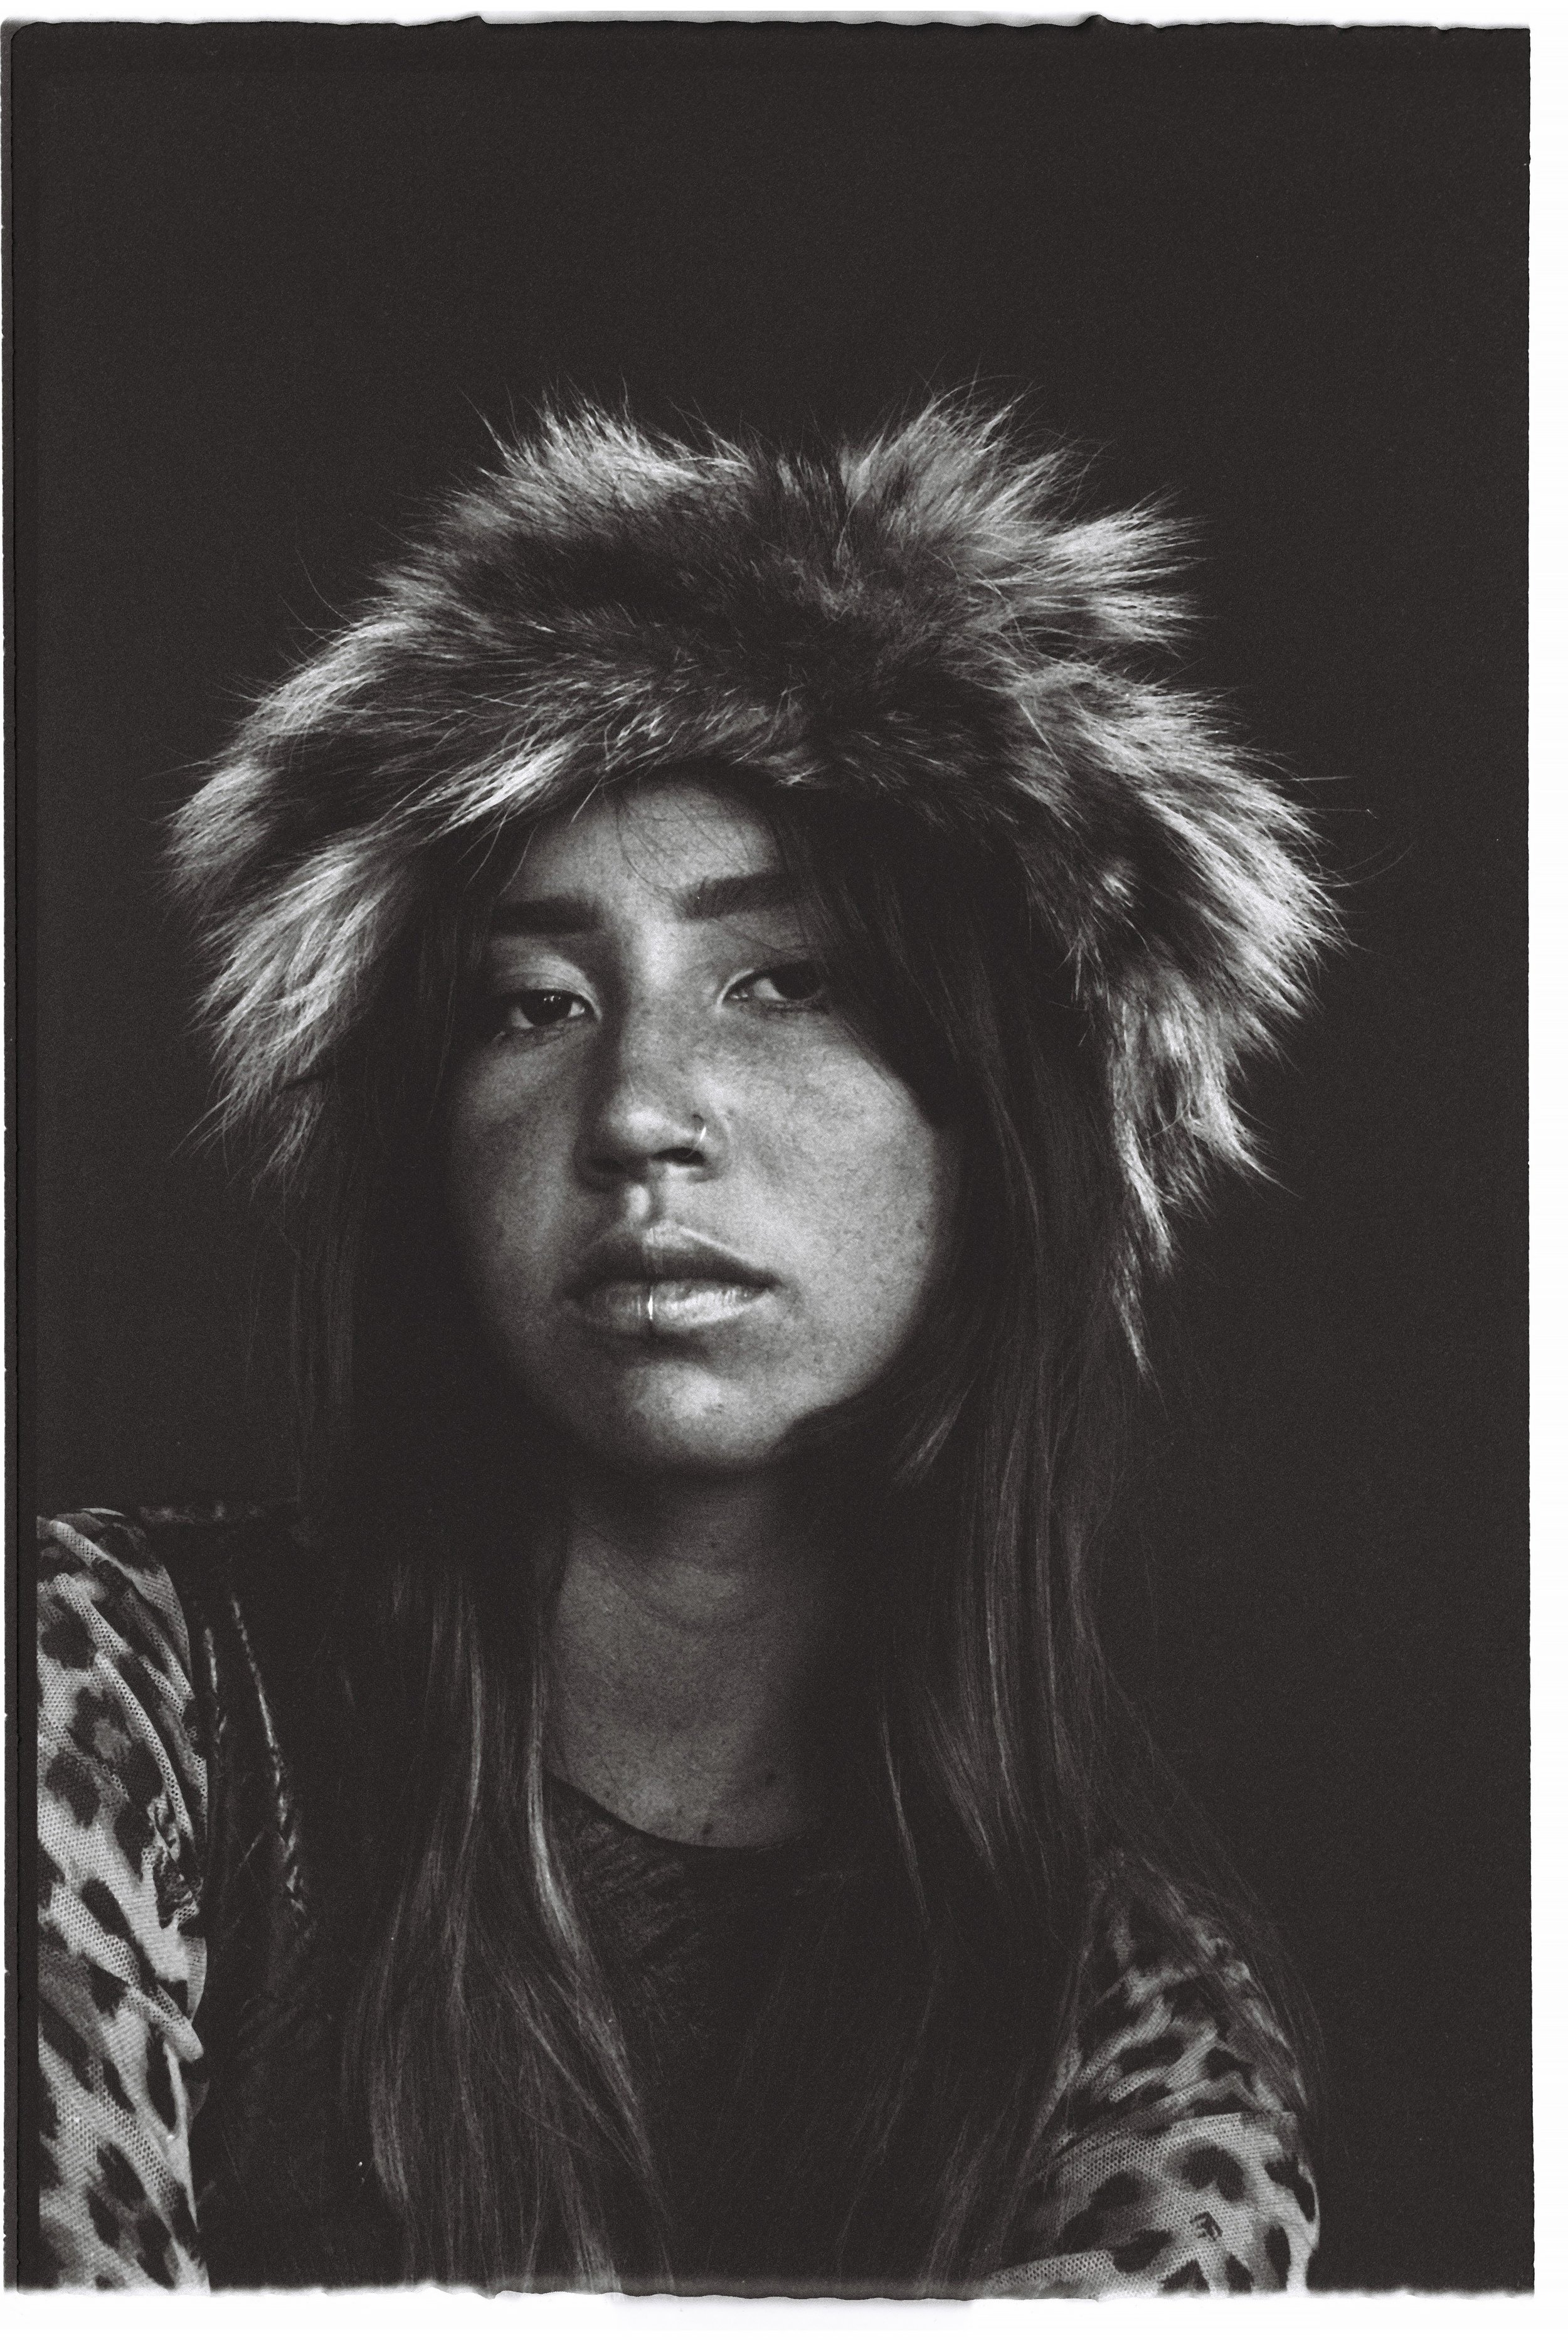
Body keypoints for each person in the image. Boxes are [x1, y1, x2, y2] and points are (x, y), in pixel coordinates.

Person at [36, 400, 1330, 2294]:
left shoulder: (1128, 2031)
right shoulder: (100, 1688)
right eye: (532, 1001)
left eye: (782, 978)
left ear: (993, 1119)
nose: (642, 1105)